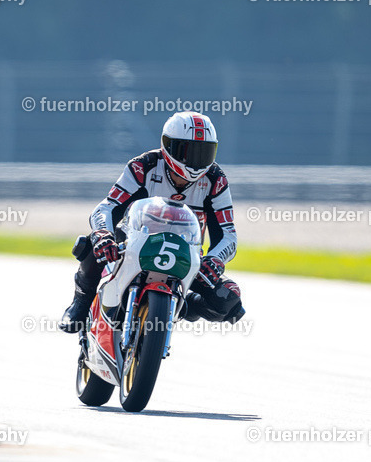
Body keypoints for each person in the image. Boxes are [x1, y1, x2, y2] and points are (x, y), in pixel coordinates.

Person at [59, 111, 245, 332]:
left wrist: (214, 259)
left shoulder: (216, 180)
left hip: (186, 258)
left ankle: (182, 306)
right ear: (168, 146)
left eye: (203, 152)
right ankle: (81, 301)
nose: (195, 161)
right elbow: (106, 207)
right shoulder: (143, 166)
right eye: (187, 151)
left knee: (229, 299)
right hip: (133, 248)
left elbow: (227, 234)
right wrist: (103, 234)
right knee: (91, 242)